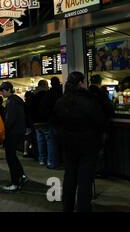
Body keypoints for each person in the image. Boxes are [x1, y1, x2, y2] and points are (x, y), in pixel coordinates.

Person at [51, 71, 107, 212]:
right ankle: (83, 208)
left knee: (70, 177)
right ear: (81, 83)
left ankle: (67, 207)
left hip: (69, 145)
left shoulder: (61, 102)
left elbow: (55, 123)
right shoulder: (89, 101)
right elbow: (100, 122)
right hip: (88, 146)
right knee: (85, 181)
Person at [0, 81, 28, 191]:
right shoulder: (17, 101)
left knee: (10, 157)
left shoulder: (12, 102)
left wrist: (4, 131)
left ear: (8, 90)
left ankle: (15, 182)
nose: (2, 93)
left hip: (12, 133)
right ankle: (21, 175)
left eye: (3, 91)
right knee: (13, 156)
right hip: (18, 131)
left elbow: (9, 120)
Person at [88, 74, 114, 177]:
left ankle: (90, 169)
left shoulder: (86, 93)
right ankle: (98, 171)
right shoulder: (102, 94)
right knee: (99, 150)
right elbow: (110, 110)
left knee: (90, 150)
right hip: (100, 127)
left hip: (87, 127)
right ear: (100, 82)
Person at [32, 80, 53, 167]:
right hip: (45, 121)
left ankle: (41, 159)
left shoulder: (34, 95)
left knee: (40, 141)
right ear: (45, 85)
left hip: (36, 121)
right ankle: (49, 160)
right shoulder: (47, 95)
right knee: (49, 141)